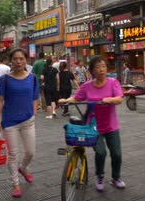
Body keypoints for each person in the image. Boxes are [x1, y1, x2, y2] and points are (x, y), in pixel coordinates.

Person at [59, 56, 125, 192]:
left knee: (117, 153)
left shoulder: (113, 83)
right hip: (94, 126)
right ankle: (100, 176)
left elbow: (119, 99)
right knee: (100, 152)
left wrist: (110, 99)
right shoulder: (87, 86)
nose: (101, 69)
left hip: (111, 126)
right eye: (98, 67)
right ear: (92, 71)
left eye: (104, 66)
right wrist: (66, 100)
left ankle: (116, 177)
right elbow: (77, 98)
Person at [0, 48, 39, 197]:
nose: (18, 62)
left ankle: (23, 168)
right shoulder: (4, 79)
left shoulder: (32, 78)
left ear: (26, 60)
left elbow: (35, 98)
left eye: (21, 59)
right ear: (11, 61)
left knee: (31, 152)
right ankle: (16, 183)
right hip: (9, 122)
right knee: (13, 154)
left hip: (28, 120)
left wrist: (33, 114)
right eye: (15, 59)